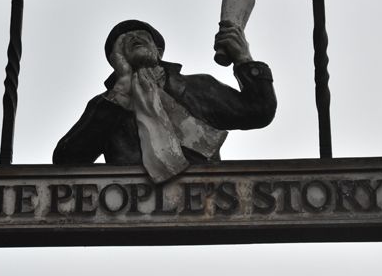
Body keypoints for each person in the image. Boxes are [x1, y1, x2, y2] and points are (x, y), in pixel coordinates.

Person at [52, 20, 276, 183]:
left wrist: (243, 58)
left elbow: (258, 111)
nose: (134, 38)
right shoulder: (107, 105)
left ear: (158, 52)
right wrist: (121, 88)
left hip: (206, 195)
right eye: (125, 41)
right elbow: (66, 159)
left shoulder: (199, 86)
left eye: (142, 36)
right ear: (116, 59)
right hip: (133, 205)